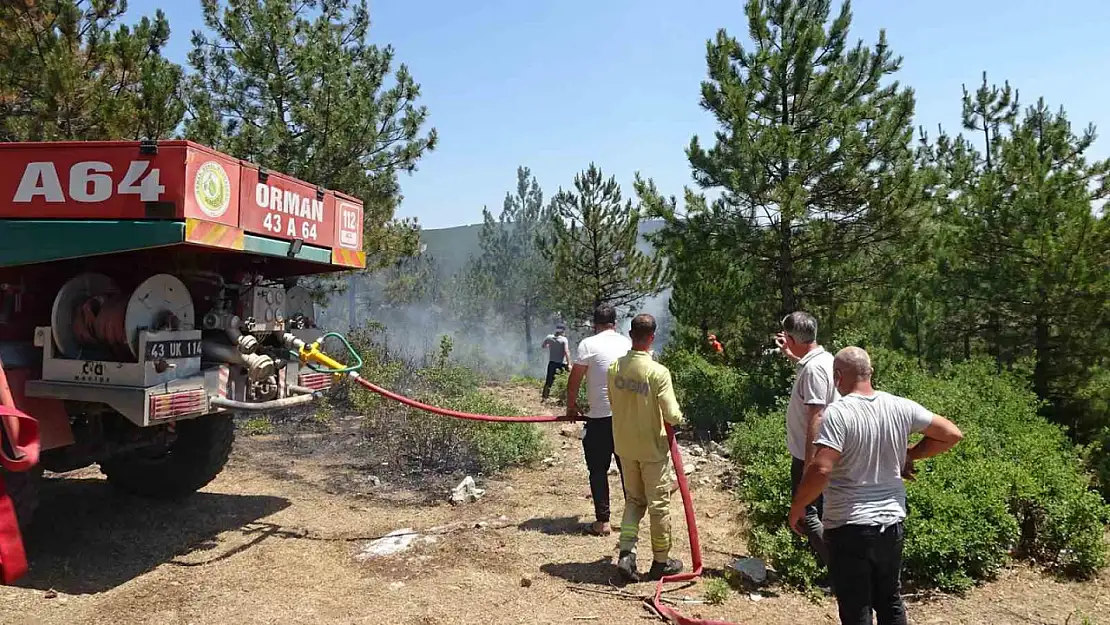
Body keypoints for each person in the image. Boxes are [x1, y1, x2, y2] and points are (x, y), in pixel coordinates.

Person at [790, 347, 964, 625]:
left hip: (849, 525)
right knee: (889, 599)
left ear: (837, 377)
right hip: (890, 522)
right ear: (869, 372)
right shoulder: (901, 406)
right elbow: (951, 434)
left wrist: (799, 506)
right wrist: (911, 453)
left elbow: (822, 468)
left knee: (856, 604)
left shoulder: (838, 413)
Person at [608, 313, 684, 581]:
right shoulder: (658, 372)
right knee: (659, 506)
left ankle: (626, 554)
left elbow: (615, 404)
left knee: (633, 500)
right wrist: (682, 419)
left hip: (625, 446)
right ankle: (661, 562)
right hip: (652, 449)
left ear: (631, 335)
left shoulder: (615, 368)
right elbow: (672, 414)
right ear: (652, 337)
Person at [774, 311, 838, 566]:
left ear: (791, 337)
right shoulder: (824, 360)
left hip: (809, 455)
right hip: (821, 451)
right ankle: (831, 567)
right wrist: (791, 356)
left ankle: (839, 573)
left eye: (786, 338)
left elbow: (817, 415)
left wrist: (810, 463)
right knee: (822, 512)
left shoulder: (813, 370)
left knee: (808, 512)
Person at [566, 304, 632, 536]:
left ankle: (603, 522)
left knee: (597, 470)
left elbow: (575, 379)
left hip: (601, 419)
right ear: (615, 322)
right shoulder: (627, 343)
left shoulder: (588, 344)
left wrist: (571, 406)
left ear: (595, 324)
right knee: (629, 470)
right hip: (627, 418)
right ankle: (630, 522)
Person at [541, 324, 570, 400]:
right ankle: (564, 398)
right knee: (565, 380)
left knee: (549, 380)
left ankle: (544, 397)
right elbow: (566, 352)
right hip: (562, 363)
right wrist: (569, 363)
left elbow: (543, 346)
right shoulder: (564, 339)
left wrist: (550, 345)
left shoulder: (549, 337)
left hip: (552, 363)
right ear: (563, 331)